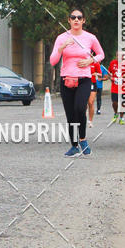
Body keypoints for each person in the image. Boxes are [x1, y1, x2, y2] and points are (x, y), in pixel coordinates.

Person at [49, 8, 104, 156]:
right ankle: (74, 146)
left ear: (83, 20)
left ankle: (83, 139)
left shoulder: (90, 38)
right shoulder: (62, 38)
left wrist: (90, 60)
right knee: (70, 114)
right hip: (66, 79)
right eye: (73, 17)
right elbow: (53, 61)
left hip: (84, 79)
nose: (76, 20)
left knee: (80, 108)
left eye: (79, 17)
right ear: (69, 20)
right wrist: (61, 48)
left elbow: (101, 54)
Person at [108, 52, 125, 124]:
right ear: (116, 56)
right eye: (117, 55)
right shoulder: (112, 63)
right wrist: (112, 78)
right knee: (114, 103)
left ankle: (121, 118)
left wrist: (123, 78)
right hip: (114, 87)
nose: (118, 57)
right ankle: (116, 113)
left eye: (120, 56)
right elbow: (109, 73)